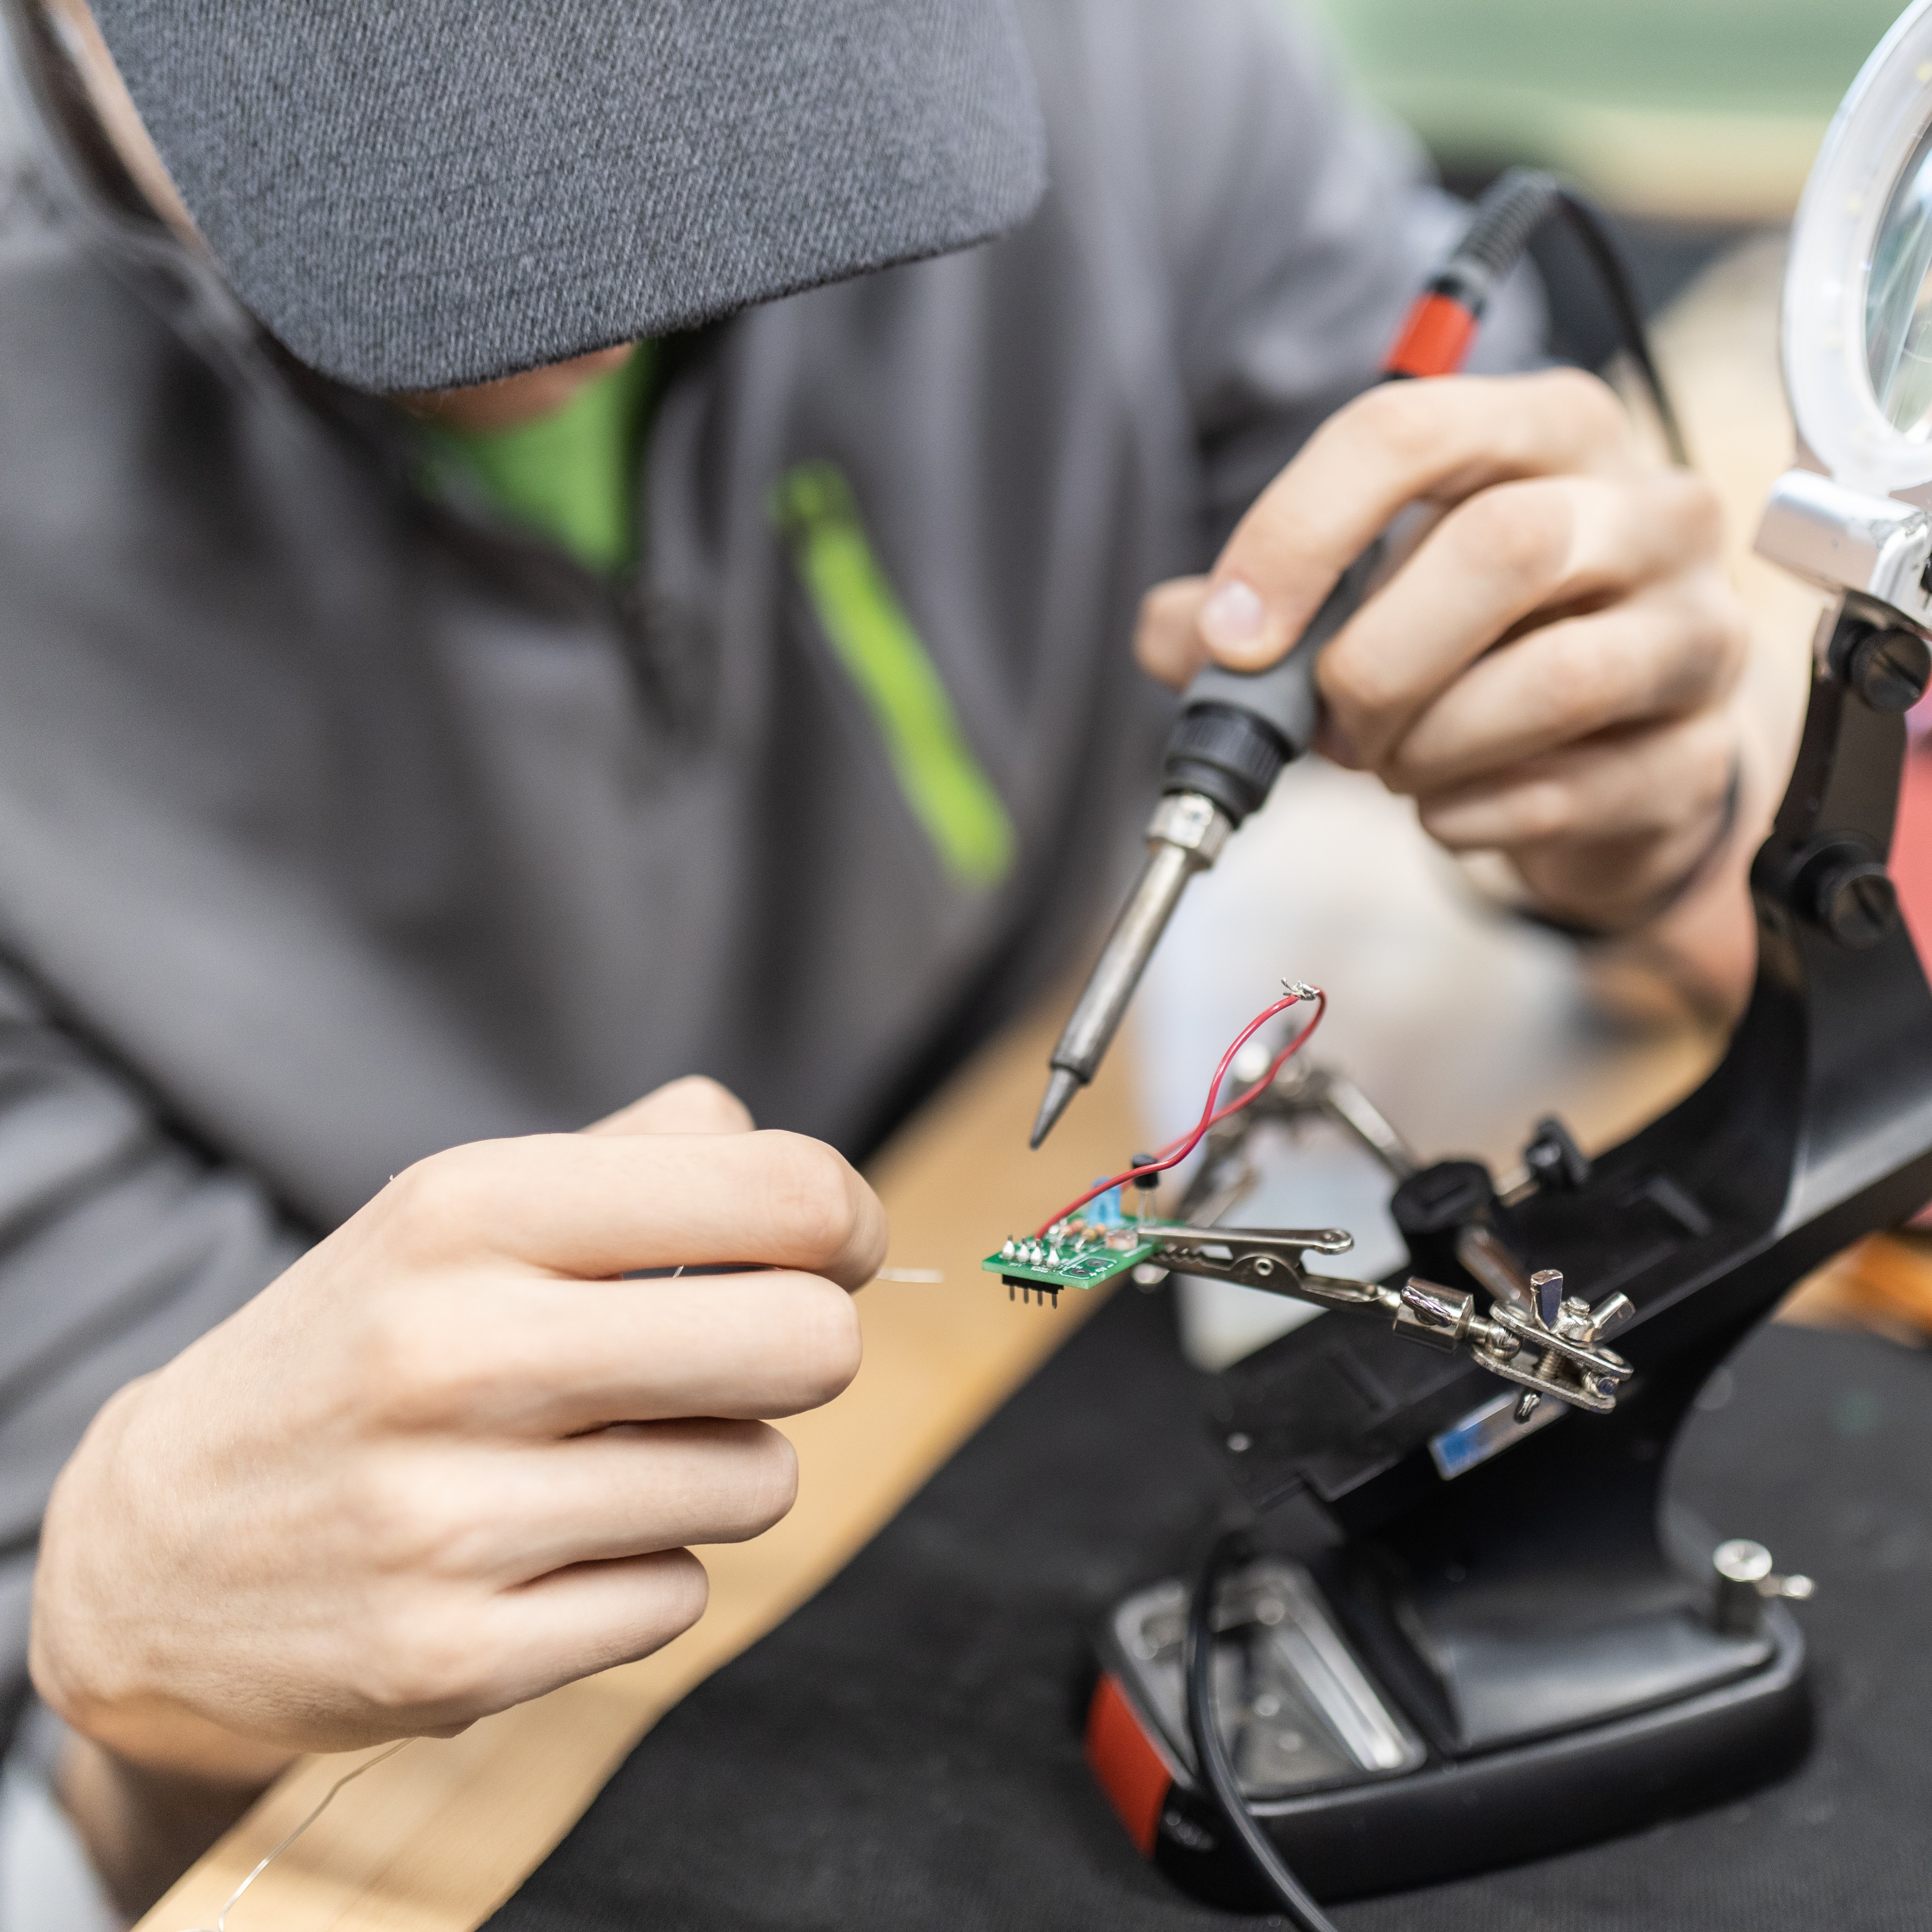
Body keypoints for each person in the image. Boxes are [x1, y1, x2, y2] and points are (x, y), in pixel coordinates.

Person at [0, 0, 1765, 1914]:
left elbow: (1572, 657)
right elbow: (182, 1765)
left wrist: (1630, 784)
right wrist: (141, 1687)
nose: (595, 256)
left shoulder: (1103, 62)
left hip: (1013, 1378)